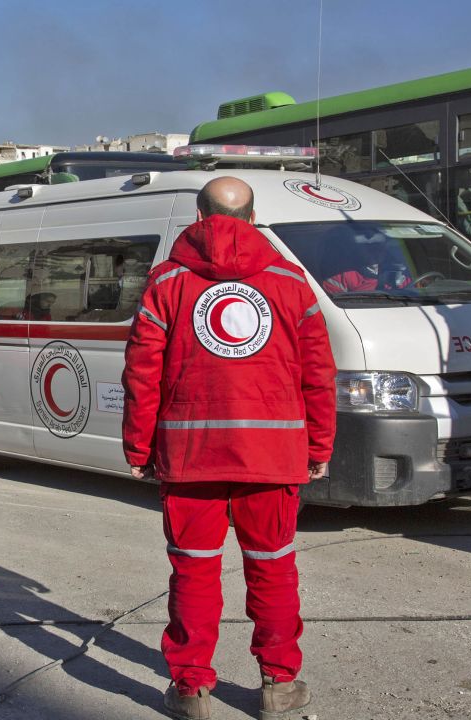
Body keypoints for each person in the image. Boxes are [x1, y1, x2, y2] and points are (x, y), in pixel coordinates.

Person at [121, 176, 336, 720]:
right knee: (273, 567)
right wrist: (319, 444)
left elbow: (141, 374)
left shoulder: (166, 282)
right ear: (255, 216)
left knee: (193, 571)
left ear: (198, 216)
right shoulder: (290, 281)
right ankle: (279, 685)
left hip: (191, 456)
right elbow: (318, 372)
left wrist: (139, 447)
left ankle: (192, 689)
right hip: (273, 455)